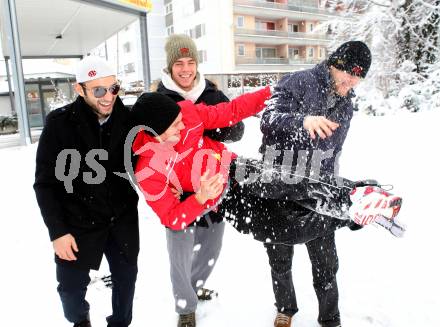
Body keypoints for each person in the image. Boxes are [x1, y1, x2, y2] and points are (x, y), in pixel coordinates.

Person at [129, 84, 401, 327]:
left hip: (235, 168)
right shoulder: (149, 170)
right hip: (226, 201)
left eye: (180, 119)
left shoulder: (186, 113)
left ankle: (357, 192)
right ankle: (355, 213)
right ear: (153, 132)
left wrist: (272, 92)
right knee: (286, 230)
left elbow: (232, 110)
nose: (182, 124)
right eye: (174, 125)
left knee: (294, 184)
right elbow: (171, 218)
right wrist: (199, 199)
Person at [258, 40, 373, 327]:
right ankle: (285, 307)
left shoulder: (346, 105)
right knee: (280, 255)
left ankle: (330, 319)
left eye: (357, 79)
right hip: (279, 185)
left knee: (326, 262)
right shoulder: (298, 82)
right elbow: (268, 118)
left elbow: (333, 151)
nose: (350, 83)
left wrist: (337, 191)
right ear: (334, 65)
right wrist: (302, 122)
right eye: (347, 75)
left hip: (318, 188)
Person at [34, 57, 139, 327]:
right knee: (70, 292)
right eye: (98, 90)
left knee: (126, 283)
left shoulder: (129, 120)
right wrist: (57, 231)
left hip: (121, 220)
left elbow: (146, 158)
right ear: (79, 89)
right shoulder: (59, 124)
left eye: (113, 88)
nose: (108, 97)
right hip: (77, 223)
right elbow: (45, 183)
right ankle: (81, 321)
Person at [151, 34, 245, 327]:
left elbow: (237, 129)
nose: (186, 69)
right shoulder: (158, 99)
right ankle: (185, 307)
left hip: (212, 185)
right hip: (176, 189)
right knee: (179, 253)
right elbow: (146, 139)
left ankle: (194, 285)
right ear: (169, 67)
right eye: (178, 63)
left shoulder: (212, 93)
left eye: (190, 62)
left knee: (211, 246)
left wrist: (207, 130)